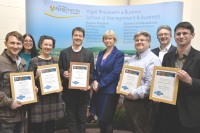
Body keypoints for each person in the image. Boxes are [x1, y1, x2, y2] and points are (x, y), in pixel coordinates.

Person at [154, 22, 200, 133]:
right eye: (178, 34)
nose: (181, 36)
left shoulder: (198, 57)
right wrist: (157, 93)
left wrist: (190, 81)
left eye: (185, 33)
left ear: (192, 35)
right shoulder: (168, 56)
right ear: (174, 36)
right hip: (167, 111)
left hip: (189, 113)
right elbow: (163, 78)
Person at [123, 31, 161, 133]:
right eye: (137, 40)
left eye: (142, 40)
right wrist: (121, 86)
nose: (139, 42)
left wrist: (134, 93)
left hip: (142, 104)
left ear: (148, 42)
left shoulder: (153, 59)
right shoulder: (132, 59)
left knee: (142, 130)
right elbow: (125, 77)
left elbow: (151, 83)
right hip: (129, 101)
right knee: (133, 129)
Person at [58, 27, 95, 133]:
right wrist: (63, 73)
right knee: (71, 119)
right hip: (69, 93)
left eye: (80, 36)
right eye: (76, 35)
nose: (78, 38)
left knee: (82, 119)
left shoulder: (88, 53)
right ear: (72, 36)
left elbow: (92, 72)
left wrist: (86, 84)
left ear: (83, 38)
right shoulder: (64, 52)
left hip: (82, 93)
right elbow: (59, 68)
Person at [89, 30, 124, 133]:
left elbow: (115, 73)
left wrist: (100, 84)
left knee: (107, 119)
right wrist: (95, 80)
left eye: (110, 38)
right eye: (106, 38)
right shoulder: (101, 53)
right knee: (100, 118)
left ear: (114, 40)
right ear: (103, 40)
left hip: (109, 92)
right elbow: (97, 70)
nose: (108, 40)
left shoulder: (119, 54)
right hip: (98, 91)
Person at [28, 35, 64, 133]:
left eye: (50, 45)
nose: (48, 47)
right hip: (40, 98)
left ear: (52, 47)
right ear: (40, 45)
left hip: (53, 97)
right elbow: (29, 82)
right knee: (38, 127)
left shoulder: (56, 60)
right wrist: (35, 77)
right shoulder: (34, 61)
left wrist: (60, 85)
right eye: (45, 44)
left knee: (50, 126)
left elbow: (60, 77)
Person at [0, 31, 26, 133]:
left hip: (21, 114)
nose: (15, 46)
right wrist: (10, 102)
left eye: (18, 43)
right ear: (5, 43)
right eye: (12, 43)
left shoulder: (22, 62)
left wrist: (32, 89)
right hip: (5, 117)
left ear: (22, 45)